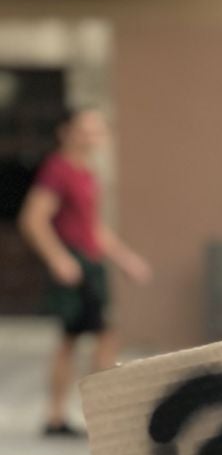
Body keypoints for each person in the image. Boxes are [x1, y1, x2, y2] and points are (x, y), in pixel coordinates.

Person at [15, 107, 150, 438]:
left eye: (97, 130)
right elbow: (32, 218)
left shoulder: (87, 173)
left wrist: (125, 259)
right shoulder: (58, 170)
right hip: (75, 265)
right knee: (101, 336)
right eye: (85, 130)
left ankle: (60, 417)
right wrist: (58, 258)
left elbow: (95, 229)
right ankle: (100, 416)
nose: (92, 137)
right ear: (66, 132)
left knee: (77, 338)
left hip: (91, 264)